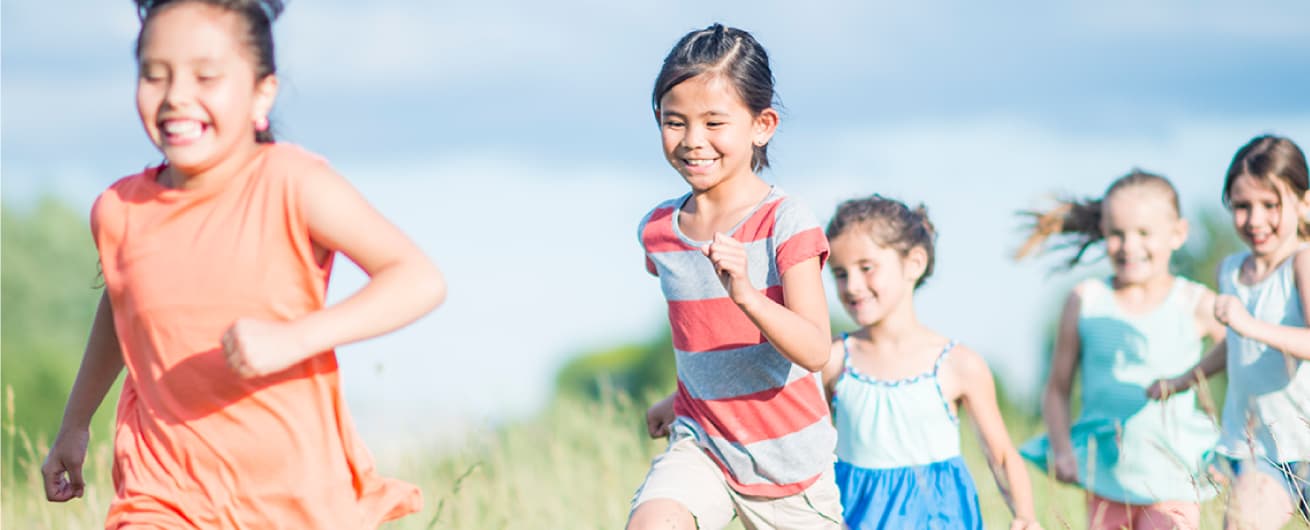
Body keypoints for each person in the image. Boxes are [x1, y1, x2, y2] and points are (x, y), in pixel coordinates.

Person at [39, 1, 446, 527]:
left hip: (292, 501)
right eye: (154, 75)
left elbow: (416, 278)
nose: (176, 97)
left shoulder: (292, 185)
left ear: (262, 93)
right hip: (161, 494)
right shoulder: (120, 211)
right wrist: (75, 422)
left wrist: (296, 337)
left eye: (206, 76)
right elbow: (125, 305)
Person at [627, 23, 842, 530]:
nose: (692, 141)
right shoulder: (659, 232)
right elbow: (705, 342)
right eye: (674, 122)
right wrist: (676, 399)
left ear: (762, 125)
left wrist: (747, 296)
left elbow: (814, 350)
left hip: (791, 469)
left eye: (714, 123)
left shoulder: (786, 220)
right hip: (703, 444)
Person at [1017, 171, 1224, 529]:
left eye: (1144, 233)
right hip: (1106, 480)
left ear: (1178, 234)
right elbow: (1057, 389)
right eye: (1117, 234)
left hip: (1177, 479)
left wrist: (1232, 447)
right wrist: (1062, 449)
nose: (1129, 246)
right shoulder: (1087, 301)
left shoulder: (1195, 302)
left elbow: (1245, 362)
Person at [821, 194, 1039, 530]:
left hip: (941, 520)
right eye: (839, 273)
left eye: (866, 268)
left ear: (914, 264)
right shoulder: (833, 360)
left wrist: (1025, 516)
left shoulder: (957, 364)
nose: (852, 286)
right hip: (856, 518)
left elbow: (1002, 455)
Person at [1150, 135, 1310, 529]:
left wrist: (1249, 325)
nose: (1255, 220)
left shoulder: (1303, 263)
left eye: (1270, 205)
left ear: (1304, 203)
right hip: (1259, 450)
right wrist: (1185, 379)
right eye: (1242, 207)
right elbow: (1238, 347)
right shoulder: (1231, 270)